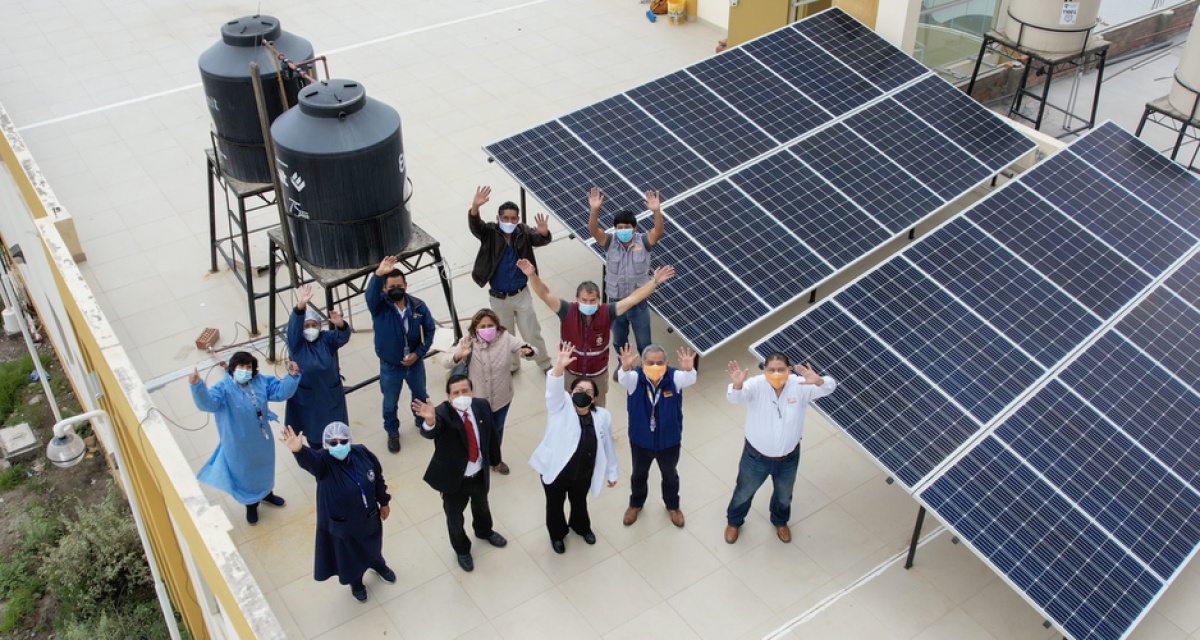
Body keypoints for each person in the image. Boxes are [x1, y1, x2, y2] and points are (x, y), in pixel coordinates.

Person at [516, 258, 675, 408]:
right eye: (584, 300)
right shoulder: (566, 310)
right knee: (570, 408)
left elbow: (633, 299)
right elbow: (545, 294)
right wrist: (532, 275)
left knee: (598, 409)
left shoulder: (607, 312)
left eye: (592, 301)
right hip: (571, 374)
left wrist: (654, 282)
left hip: (597, 376)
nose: (588, 304)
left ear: (599, 300)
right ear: (577, 299)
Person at [723, 353, 837, 544]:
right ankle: (734, 522)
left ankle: (780, 521)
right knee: (744, 492)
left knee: (784, 495)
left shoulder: (800, 385)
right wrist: (737, 385)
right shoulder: (755, 385)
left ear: (789, 369)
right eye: (772, 370)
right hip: (755, 458)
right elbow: (735, 398)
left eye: (781, 370)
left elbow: (829, 387)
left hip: (788, 458)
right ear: (765, 370)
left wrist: (819, 381)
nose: (776, 374)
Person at [280, 422, 394, 603]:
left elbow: (377, 478)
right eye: (333, 443)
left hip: (369, 517)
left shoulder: (362, 453)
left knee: (373, 546)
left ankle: (378, 564)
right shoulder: (324, 462)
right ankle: (356, 583)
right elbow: (310, 460)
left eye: (343, 441)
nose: (339, 446)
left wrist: (384, 502)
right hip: (344, 526)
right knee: (350, 557)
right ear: (326, 444)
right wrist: (299, 451)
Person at [189, 352, 300, 525]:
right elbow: (208, 404)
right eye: (241, 366)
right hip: (237, 444)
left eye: (249, 367)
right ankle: (251, 504)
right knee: (244, 475)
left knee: (265, 468)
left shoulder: (260, 382)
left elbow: (280, 392)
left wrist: (291, 376)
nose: (245, 370)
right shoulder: (223, 388)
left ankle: (267, 494)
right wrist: (197, 386)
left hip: (261, 439)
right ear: (233, 368)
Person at [412, 376, 508, 573]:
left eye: (465, 391)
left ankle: (484, 531)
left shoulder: (481, 406)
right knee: (454, 517)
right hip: (455, 480)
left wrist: (496, 459)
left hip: (478, 474)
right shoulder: (441, 413)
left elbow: (491, 434)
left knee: (482, 507)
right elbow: (432, 431)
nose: (461, 396)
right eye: (456, 393)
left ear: (472, 391)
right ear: (448, 397)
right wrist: (429, 420)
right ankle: (462, 549)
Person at [529, 343, 618, 554]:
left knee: (579, 502)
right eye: (579, 390)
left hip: (583, 472)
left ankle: (580, 527)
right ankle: (557, 535)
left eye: (588, 392)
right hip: (557, 471)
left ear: (594, 398)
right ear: (570, 393)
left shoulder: (602, 416)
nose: (583, 394)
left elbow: (606, 445)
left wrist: (612, 472)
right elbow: (553, 391)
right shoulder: (559, 407)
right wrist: (559, 368)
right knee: (555, 505)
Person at [442, 308, 538, 475]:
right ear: (475, 328)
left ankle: (495, 459)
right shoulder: (468, 341)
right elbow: (445, 362)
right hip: (478, 402)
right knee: (477, 432)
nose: (487, 329)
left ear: (497, 326)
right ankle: (479, 459)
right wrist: (458, 355)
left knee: (497, 429)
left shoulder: (505, 338)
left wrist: (529, 351)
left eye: (490, 326)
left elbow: (528, 348)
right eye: (482, 326)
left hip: (502, 398)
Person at [469, 186, 554, 372]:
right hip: (498, 297)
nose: (509, 221)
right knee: (504, 336)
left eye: (513, 218)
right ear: (498, 218)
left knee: (532, 332)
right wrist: (475, 207)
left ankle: (544, 363)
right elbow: (475, 226)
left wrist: (543, 233)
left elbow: (540, 239)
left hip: (521, 294)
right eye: (505, 218)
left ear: (518, 219)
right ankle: (513, 365)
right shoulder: (489, 232)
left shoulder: (523, 232)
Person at [616, 343, 696, 528]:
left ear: (666, 363)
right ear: (642, 363)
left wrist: (689, 369)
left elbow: (689, 378)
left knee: (670, 475)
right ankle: (636, 504)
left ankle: (673, 506)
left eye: (659, 363)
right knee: (638, 474)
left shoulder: (674, 377)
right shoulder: (635, 378)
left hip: (669, 441)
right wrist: (625, 367)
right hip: (641, 441)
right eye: (650, 363)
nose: (655, 366)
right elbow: (623, 378)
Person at [367, 255, 436, 453]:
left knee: (420, 395)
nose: (396, 289)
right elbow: (370, 295)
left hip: (415, 365)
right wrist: (378, 274)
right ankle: (392, 432)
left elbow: (430, 331)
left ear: (405, 285)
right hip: (390, 367)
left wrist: (418, 353)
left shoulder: (418, 306)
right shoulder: (379, 308)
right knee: (390, 403)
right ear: (384, 288)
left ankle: (421, 419)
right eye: (391, 287)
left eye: (399, 286)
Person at [587, 187, 664, 358]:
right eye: (619, 227)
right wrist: (594, 209)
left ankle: (645, 368)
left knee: (644, 342)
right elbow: (593, 230)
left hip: (639, 304)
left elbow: (658, 231)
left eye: (627, 227)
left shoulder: (644, 241)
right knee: (619, 341)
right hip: (616, 303)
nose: (623, 230)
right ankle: (624, 366)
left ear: (634, 227)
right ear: (615, 228)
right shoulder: (609, 241)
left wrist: (656, 211)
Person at [286, 283, 352, 448]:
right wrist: (300, 306)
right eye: (306, 325)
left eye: (313, 325)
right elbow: (293, 328)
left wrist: (340, 325)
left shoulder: (326, 339)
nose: (310, 328)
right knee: (315, 436)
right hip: (309, 399)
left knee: (336, 436)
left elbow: (342, 337)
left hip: (330, 395)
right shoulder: (297, 344)